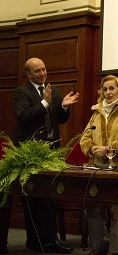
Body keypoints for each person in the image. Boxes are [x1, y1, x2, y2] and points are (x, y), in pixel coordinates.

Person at [12, 57, 79, 253]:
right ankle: (35, 241)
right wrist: (44, 103)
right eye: (37, 71)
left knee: (50, 198)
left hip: (51, 150)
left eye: (44, 69)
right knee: (33, 199)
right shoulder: (20, 92)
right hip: (30, 152)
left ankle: (50, 241)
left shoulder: (53, 90)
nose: (42, 74)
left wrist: (64, 106)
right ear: (28, 74)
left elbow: (60, 119)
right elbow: (24, 117)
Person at [80, 75, 118, 255]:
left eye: (112, 88)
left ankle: (115, 249)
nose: (108, 92)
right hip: (96, 167)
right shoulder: (96, 113)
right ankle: (100, 245)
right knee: (92, 205)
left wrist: (108, 148)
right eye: (105, 89)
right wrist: (91, 149)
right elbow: (84, 139)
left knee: (116, 209)